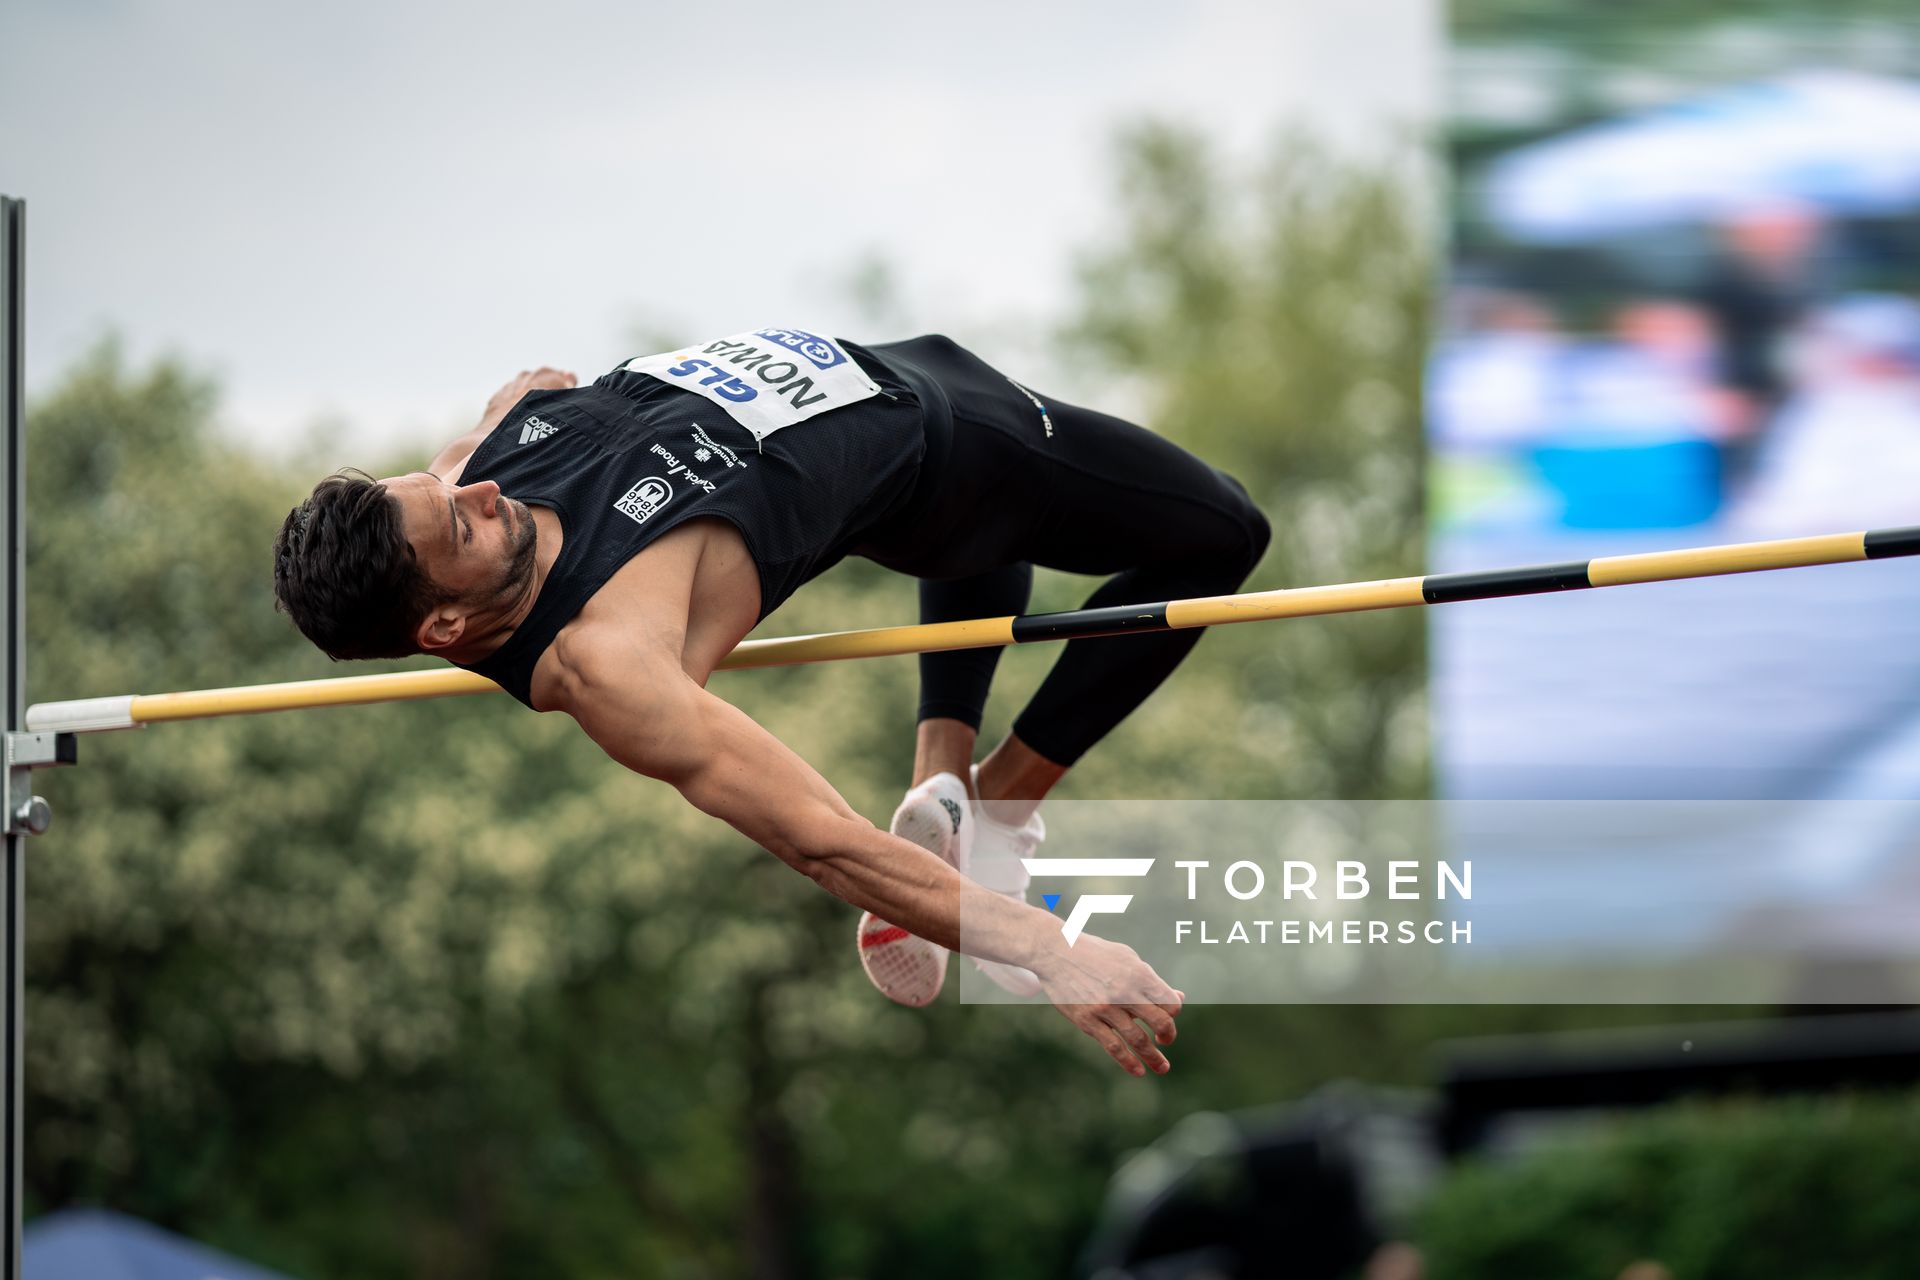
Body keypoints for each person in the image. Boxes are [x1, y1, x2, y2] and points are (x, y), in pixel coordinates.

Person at [271, 329, 1270, 1077]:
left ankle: (946, 787)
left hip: (892, 401)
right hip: (953, 445)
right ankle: (999, 802)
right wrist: (1051, 949)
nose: (483, 492)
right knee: (1221, 533)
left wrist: (524, 409)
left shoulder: (472, 473)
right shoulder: (606, 662)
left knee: (978, 548)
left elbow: (520, 394)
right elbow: (823, 840)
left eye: (448, 486)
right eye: (461, 523)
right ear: (442, 628)